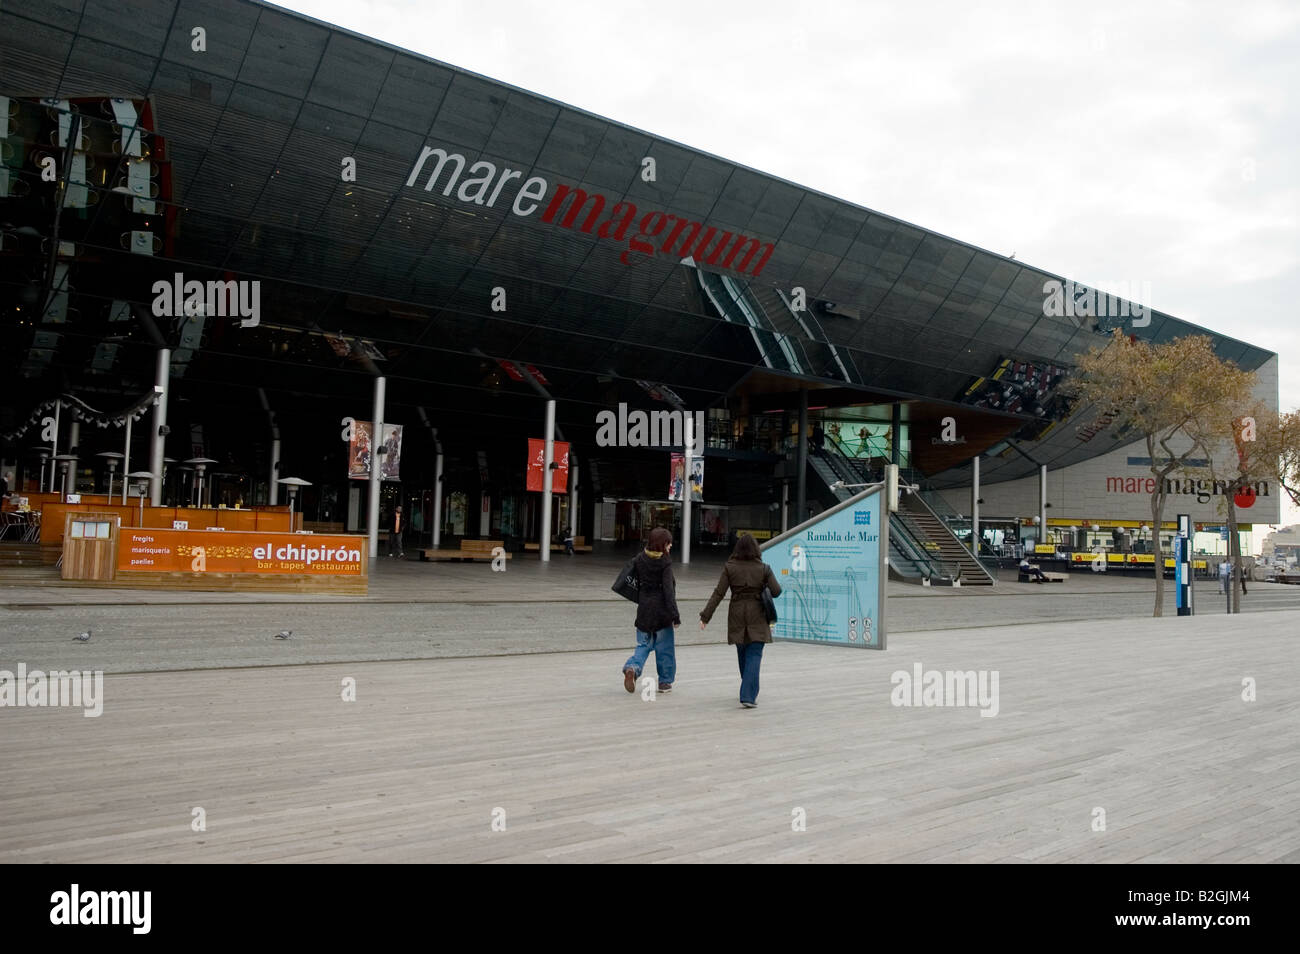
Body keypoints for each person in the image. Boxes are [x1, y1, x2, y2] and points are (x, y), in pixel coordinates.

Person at [699, 532, 781, 708]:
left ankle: (747, 688)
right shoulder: (764, 568)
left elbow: (718, 593)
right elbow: (777, 591)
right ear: (756, 549)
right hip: (757, 614)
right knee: (755, 653)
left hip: (737, 613)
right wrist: (763, 583)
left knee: (742, 651)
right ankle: (748, 695)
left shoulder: (730, 567)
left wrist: (706, 616)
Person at [622, 527, 680, 694]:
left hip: (644, 610)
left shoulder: (640, 559)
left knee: (643, 645)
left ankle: (632, 668)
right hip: (662, 613)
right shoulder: (665, 563)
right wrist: (675, 616)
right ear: (663, 544)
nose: (670, 546)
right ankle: (665, 682)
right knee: (665, 649)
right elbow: (669, 591)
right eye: (668, 543)